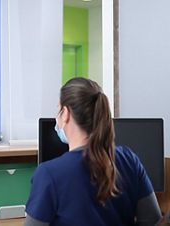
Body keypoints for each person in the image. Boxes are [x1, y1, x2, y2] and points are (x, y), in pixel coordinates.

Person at [25, 78, 162, 226]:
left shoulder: (48, 174)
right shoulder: (129, 159)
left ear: (65, 113)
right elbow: (152, 218)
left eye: (58, 110)